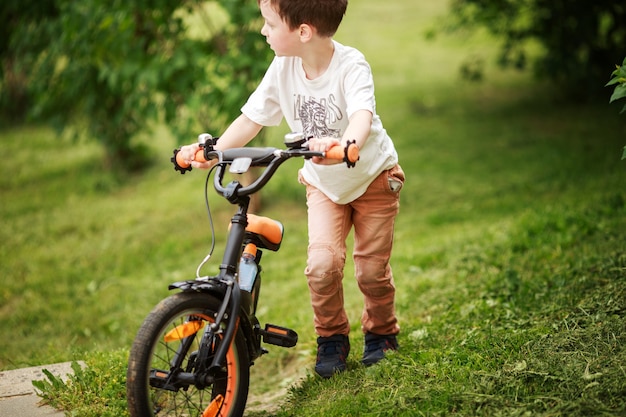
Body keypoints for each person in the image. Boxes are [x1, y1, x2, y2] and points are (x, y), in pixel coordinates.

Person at [178, 0, 404, 378]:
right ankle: (332, 337)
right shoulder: (283, 67)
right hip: (324, 184)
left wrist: (346, 145)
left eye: (269, 23)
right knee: (321, 266)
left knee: (371, 270)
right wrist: (213, 152)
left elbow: (362, 114)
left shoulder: (351, 65)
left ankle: (381, 332)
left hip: (373, 179)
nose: (263, 30)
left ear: (303, 32)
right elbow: (252, 118)